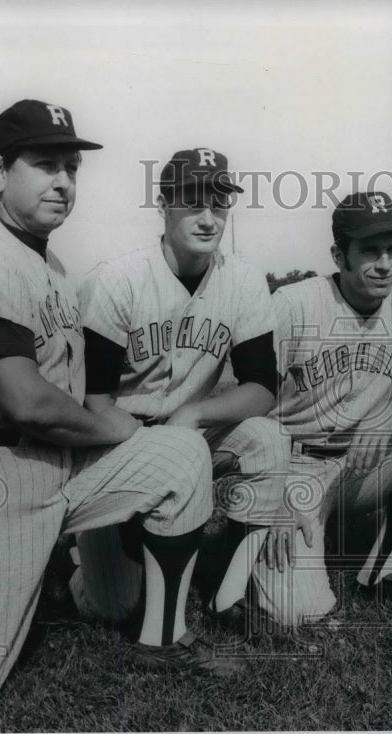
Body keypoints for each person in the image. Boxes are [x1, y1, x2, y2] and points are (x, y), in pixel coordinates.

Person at [0, 100, 226, 700]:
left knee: (178, 453)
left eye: (72, 168)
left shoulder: (49, 265)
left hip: (41, 465)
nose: (64, 183)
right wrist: (118, 431)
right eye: (46, 165)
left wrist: (132, 432)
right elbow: (28, 403)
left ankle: (163, 640)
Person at [71, 147, 293, 640]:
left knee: (268, 437)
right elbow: (94, 403)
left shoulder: (243, 279)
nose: (208, 216)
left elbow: (263, 387)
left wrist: (194, 412)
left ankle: (230, 593)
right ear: (163, 204)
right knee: (111, 609)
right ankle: (75, 561)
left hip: (189, 433)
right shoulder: (117, 279)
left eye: (220, 202)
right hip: (115, 446)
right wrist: (158, 446)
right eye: (193, 201)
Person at [254, 192, 392, 626]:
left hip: (363, 464)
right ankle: (250, 533)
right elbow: (253, 406)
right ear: (339, 255)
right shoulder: (293, 305)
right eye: (370, 251)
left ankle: (381, 565)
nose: (385, 263)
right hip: (296, 466)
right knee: (295, 612)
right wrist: (270, 495)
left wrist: (389, 412)